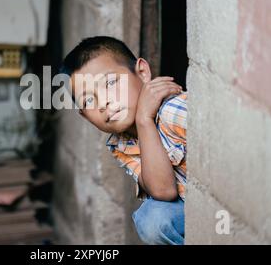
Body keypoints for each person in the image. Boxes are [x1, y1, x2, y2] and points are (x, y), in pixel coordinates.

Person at [60, 36, 187, 245]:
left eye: (110, 83)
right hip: (188, 208)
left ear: (142, 72)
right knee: (151, 220)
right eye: (89, 100)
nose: (104, 102)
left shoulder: (174, 110)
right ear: (85, 115)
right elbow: (164, 191)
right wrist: (144, 120)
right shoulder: (120, 145)